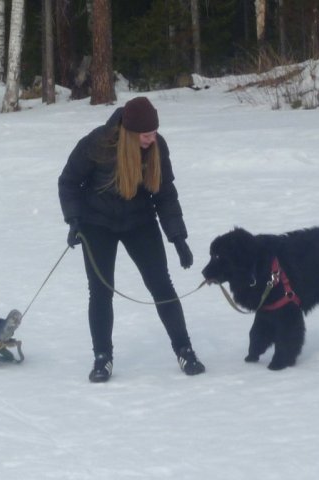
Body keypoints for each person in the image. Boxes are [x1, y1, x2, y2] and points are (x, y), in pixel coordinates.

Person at [58, 96, 205, 383]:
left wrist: (178, 238)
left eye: (154, 133)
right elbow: (68, 181)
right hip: (96, 222)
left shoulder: (157, 147)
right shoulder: (98, 143)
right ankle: (102, 357)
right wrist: (74, 219)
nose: (152, 139)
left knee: (162, 285)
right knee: (100, 291)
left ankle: (184, 349)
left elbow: (165, 194)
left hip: (139, 221)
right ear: (130, 132)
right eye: (146, 135)